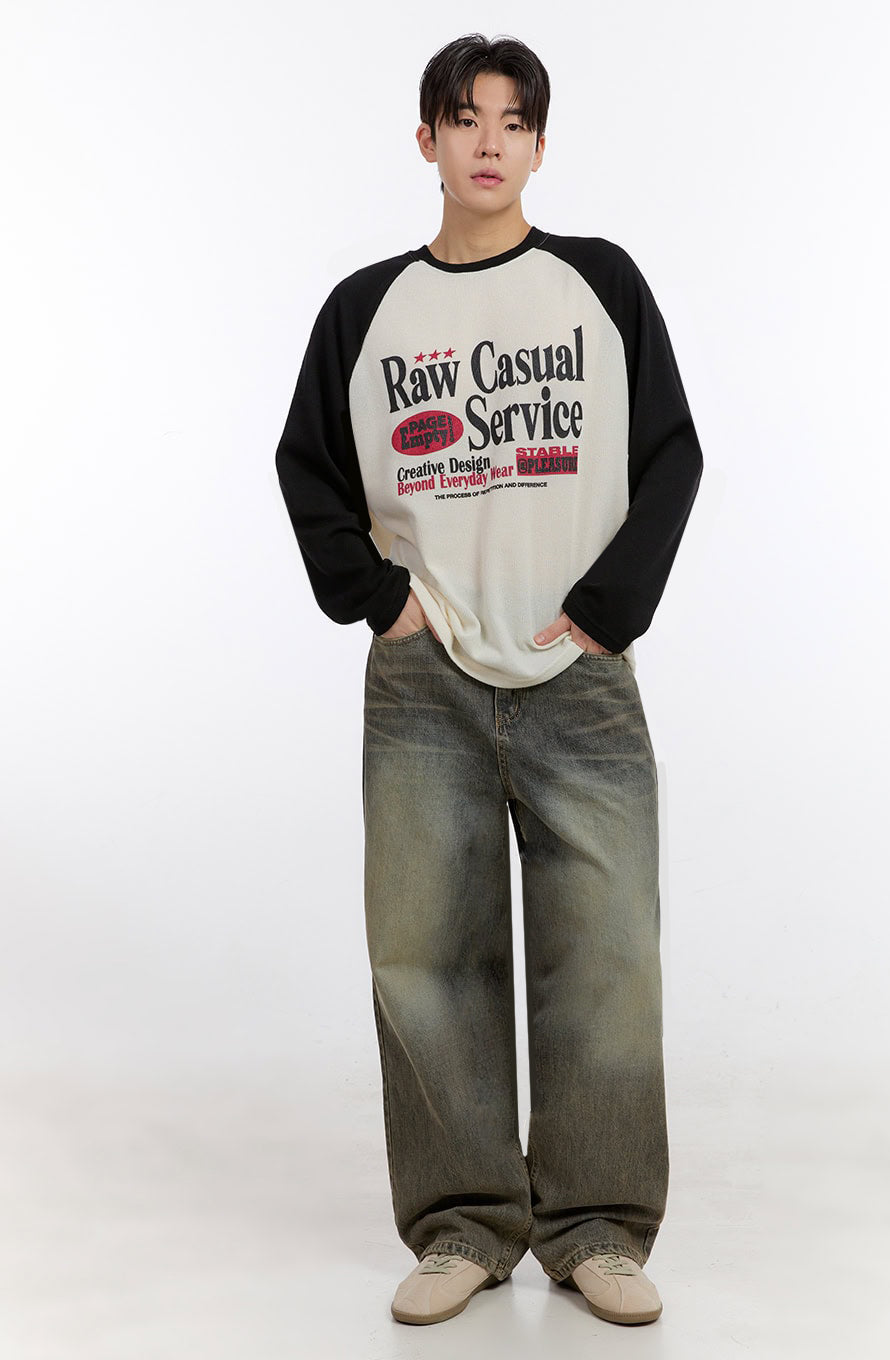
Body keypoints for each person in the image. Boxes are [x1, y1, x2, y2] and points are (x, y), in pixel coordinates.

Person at [274, 32, 704, 1328]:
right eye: (465, 119)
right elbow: (306, 467)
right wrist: (380, 602)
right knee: (426, 956)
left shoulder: (599, 285)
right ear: (427, 140)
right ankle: (463, 1224)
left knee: (607, 956)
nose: (488, 143)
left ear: (540, 146)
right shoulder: (365, 310)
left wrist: (608, 612)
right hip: (427, 686)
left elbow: (673, 455)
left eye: (513, 123)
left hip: (580, 678)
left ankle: (597, 1230)